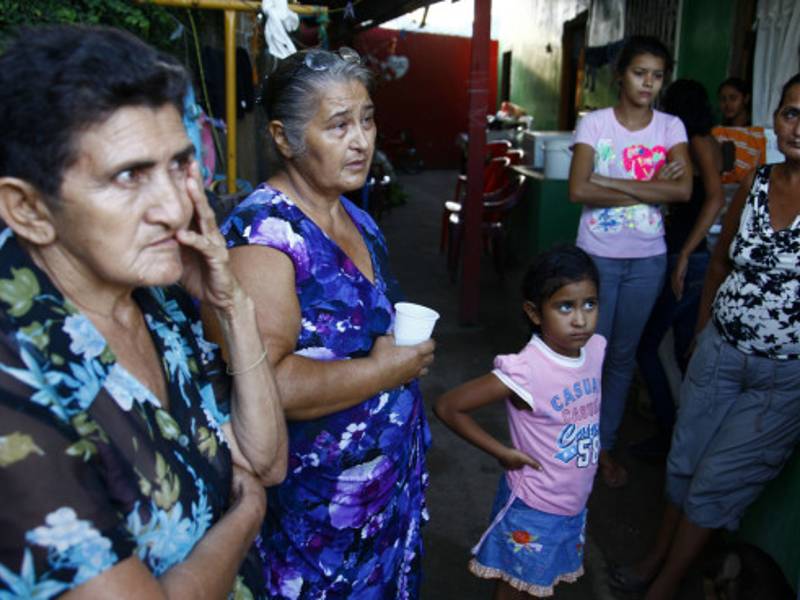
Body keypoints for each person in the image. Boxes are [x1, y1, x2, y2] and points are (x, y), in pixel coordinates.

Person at [0, 25, 288, 598]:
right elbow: (255, 485)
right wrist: (247, 517)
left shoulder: (152, 294)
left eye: (180, 165)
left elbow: (265, 458)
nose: (174, 207)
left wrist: (231, 304)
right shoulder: (17, 374)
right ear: (29, 210)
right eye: (129, 176)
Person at [216, 47, 435, 598]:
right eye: (338, 125)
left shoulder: (352, 213)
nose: (361, 140)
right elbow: (267, 382)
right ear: (284, 138)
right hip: (317, 522)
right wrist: (391, 371)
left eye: (366, 119)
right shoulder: (265, 235)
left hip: (382, 504)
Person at [609, 72, 800, 600]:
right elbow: (718, 263)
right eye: (791, 113)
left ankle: (665, 583)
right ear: (776, 119)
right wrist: (700, 334)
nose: (798, 127)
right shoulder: (758, 183)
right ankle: (655, 558)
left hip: (781, 377)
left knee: (715, 479)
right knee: (685, 458)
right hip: (719, 350)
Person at [434, 245, 605, 599]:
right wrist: (503, 452)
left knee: (537, 584)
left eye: (590, 304)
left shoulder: (596, 349)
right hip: (534, 504)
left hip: (572, 503)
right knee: (514, 585)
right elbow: (449, 406)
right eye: (565, 306)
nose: (580, 319)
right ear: (534, 312)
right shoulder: (527, 370)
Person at [568, 35, 692, 488]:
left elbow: (682, 191)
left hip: (647, 261)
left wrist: (609, 180)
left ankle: (601, 448)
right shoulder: (595, 124)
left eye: (657, 75)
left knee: (621, 359)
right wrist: (648, 183)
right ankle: (573, 445)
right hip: (597, 255)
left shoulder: (670, 128)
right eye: (640, 72)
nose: (649, 83)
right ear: (621, 74)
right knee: (587, 355)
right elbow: (578, 189)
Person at [633, 79, 725, 458]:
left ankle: (669, 430)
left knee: (646, 347)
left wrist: (686, 252)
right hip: (685, 255)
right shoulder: (688, 142)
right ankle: (690, 437)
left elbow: (716, 199)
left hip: (686, 259)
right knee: (687, 352)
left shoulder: (700, 142)